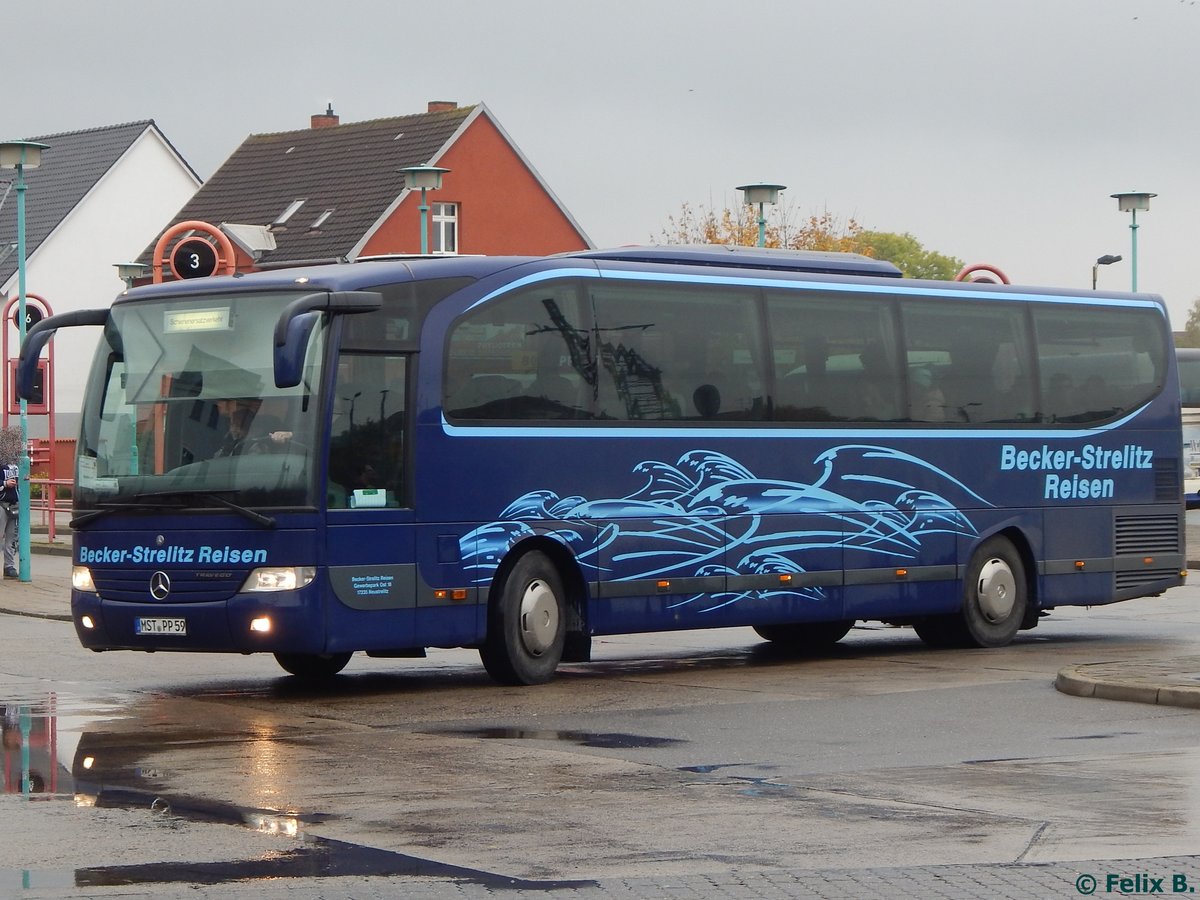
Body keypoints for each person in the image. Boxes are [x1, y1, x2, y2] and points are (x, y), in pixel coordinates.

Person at [1, 458, 18, 578]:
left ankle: (9, 566)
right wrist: (4, 484)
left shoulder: (18, 463)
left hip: (14, 504)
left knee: (11, 537)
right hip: (1, 503)